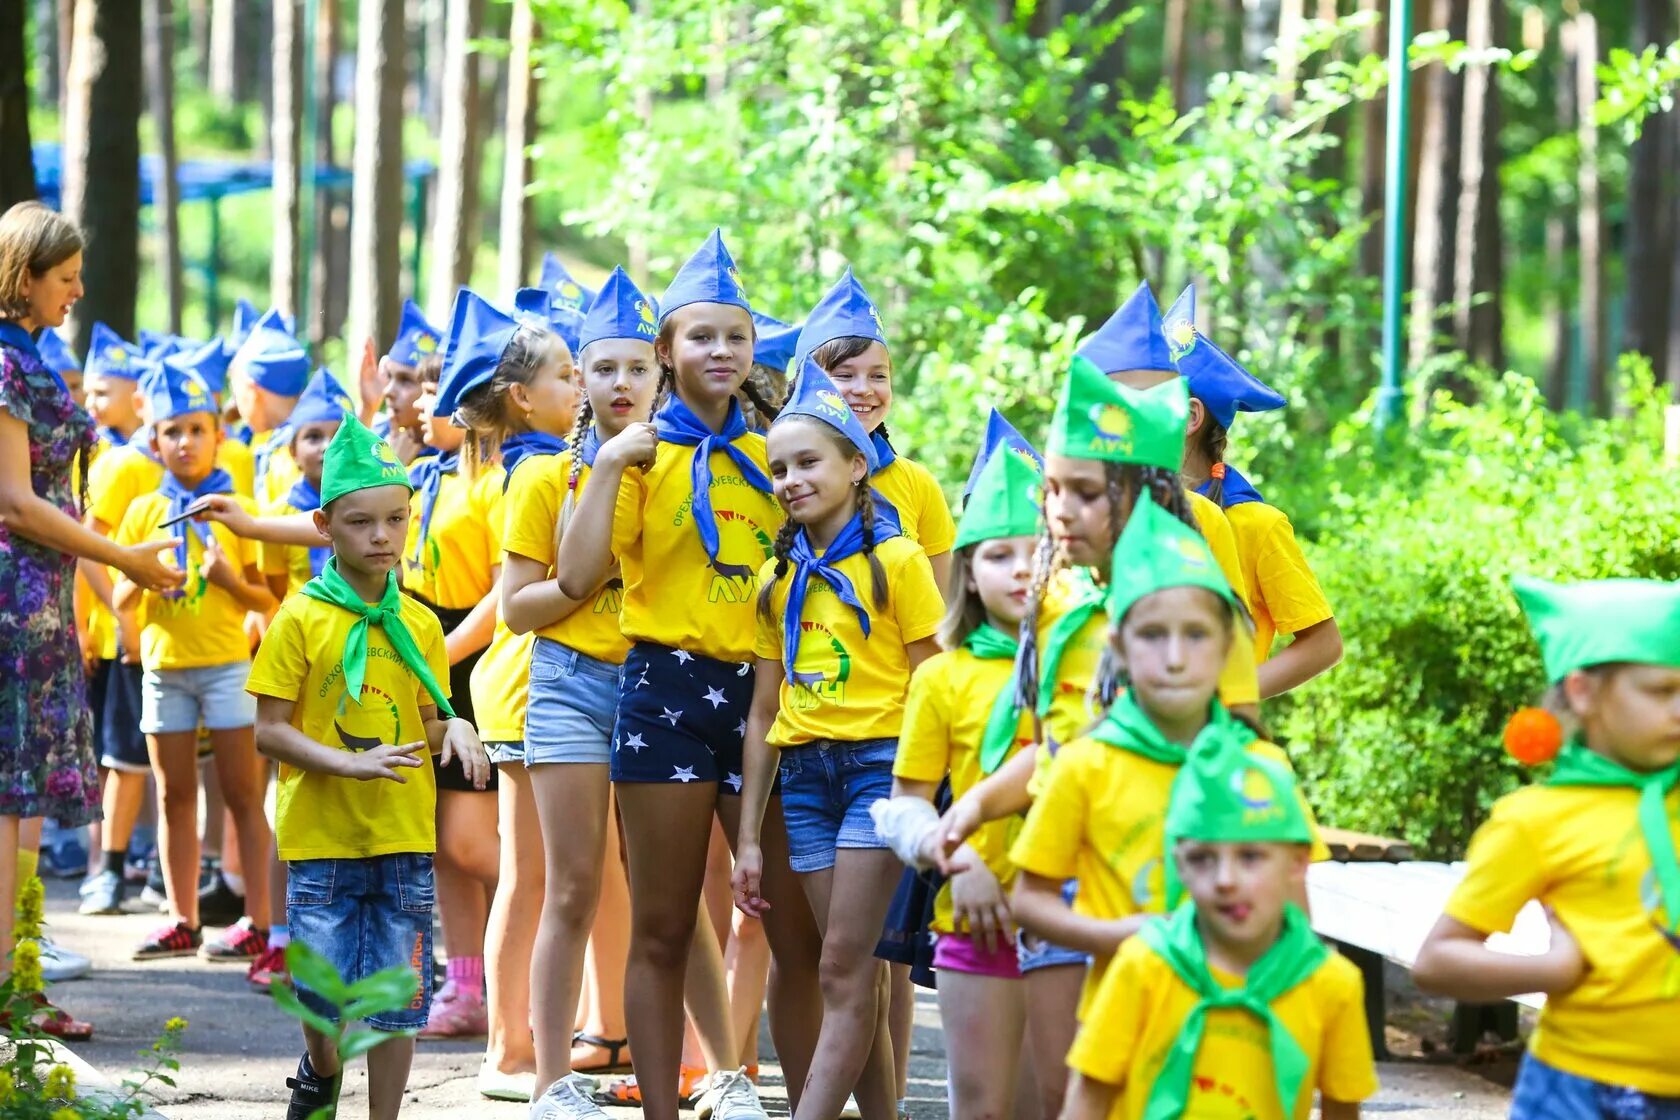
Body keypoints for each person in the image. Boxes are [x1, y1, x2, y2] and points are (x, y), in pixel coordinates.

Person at [558, 230, 821, 1120]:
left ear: (754, 352)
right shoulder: (641, 454)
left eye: (735, 338)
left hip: (769, 696)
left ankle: (782, 1096)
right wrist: (603, 465)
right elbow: (577, 576)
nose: (720, 352)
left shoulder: (781, 455)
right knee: (665, 926)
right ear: (666, 351)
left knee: (791, 930)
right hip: (665, 695)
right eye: (699, 337)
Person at [247, 415, 489, 1120]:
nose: (381, 536)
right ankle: (320, 1071)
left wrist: (460, 728)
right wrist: (346, 766)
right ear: (324, 525)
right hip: (321, 839)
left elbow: (422, 716)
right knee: (323, 999)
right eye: (360, 522)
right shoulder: (299, 618)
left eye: (395, 520)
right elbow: (269, 733)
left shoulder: (418, 622)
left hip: (403, 837)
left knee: (396, 1001)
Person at [731, 362, 942, 1120]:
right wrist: (750, 839)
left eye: (808, 462)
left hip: (879, 774)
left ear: (858, 465)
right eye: (778, 467)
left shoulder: (899, 562)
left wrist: (920, 797)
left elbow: (937, 686)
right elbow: (762, 711)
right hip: (804, 781)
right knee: (852, 972)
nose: (789, 479)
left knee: (843, 970)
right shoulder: (775, 577)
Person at [0, 201, 182, 1041]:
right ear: (23, 276)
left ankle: (19, 975)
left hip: (42, 603)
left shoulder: (30, 354)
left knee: (23, 799)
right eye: (65, 278)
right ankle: (8, 993)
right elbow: (19, 505)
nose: (76, 291)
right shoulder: (5, 365)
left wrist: (116, 568)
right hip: (14, 602)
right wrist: (129, 562)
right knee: (8, 798)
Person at [1413, 576, 1680, 1118]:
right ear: (1583, 692)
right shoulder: (1537, 821)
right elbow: (1437, 961)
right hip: (1581, 1094)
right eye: (1661, 690)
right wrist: (1551, 970)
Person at [499, 266, 660, 1118]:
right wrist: (572, 590)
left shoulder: (681, 472)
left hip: (660, 689)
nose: (622, 384)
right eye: (603, 370)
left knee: (662, 888)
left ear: (660, 375)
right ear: (582, 381)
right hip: (568, 684)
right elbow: (518, 608)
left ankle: (693, 1069)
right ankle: (549, 1079)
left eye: (639, 369)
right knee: (572, 885)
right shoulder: (539, 479)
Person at [1062, 741, 1377, 1119]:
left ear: (1297, 863)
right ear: (1178, 866)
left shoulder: (1331, 984)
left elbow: (1342, 1110)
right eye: (1202, 859)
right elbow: (1089, 1098)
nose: (1225, 880)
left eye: (1250, 856)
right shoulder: (1144, 964)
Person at [433, 287, 579, 1100]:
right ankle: (512, 1046)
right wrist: (443, 654)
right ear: (522, 396)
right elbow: (512, 589)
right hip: (529, 679)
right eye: (568, 373)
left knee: (540, 875)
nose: (583, 386)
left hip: (518, 677)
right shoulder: (533, 472)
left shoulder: (525, 464)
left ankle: (529, 1040)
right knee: (533, 874)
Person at [874, 443, 1044, 1118]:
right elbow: (905, 804)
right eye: (1000, 555)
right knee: (981, 1105)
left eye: (1037, 551)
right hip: (978, 916)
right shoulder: (942, 676)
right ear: (968, 573)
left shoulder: (1095, 661)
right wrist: (956, 859)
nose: (1022, 568)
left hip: (1080, 914)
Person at [111, 363, 276, 962]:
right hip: (164, 667)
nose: (185, 442)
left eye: (197, 430)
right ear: (154, 441)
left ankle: (259, 921)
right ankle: (182, 918)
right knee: (172, 794)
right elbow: (121, 597)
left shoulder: (239, 508)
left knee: (241, 794)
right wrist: (144, 576)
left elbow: (267, 600)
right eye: (172, 431)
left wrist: (230, 581)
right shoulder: (140, 513)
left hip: (228, 664)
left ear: (219, 435)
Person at [1164, 286, 1342, 697]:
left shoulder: (1256, 524)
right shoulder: (1120, 511)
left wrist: (1229, 696)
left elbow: (1324, 643)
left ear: (1191, 416)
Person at [794, 268, 955, 589]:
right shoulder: (784, 476)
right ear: (804, 382)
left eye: (878, 376)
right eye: (844, 375)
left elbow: (944, 602)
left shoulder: (916, 483)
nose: (864, 389)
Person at [229, 307, 310, 506]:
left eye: (235, 391)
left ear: (252, 389)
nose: (234, 404)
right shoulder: (300, 439)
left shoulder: (287, 459)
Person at [375, 299, 443, 462]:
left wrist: (393, 469)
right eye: (389, 376)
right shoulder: (376, 439)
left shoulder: (449, 457)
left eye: (405, 380)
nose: (388, 391)